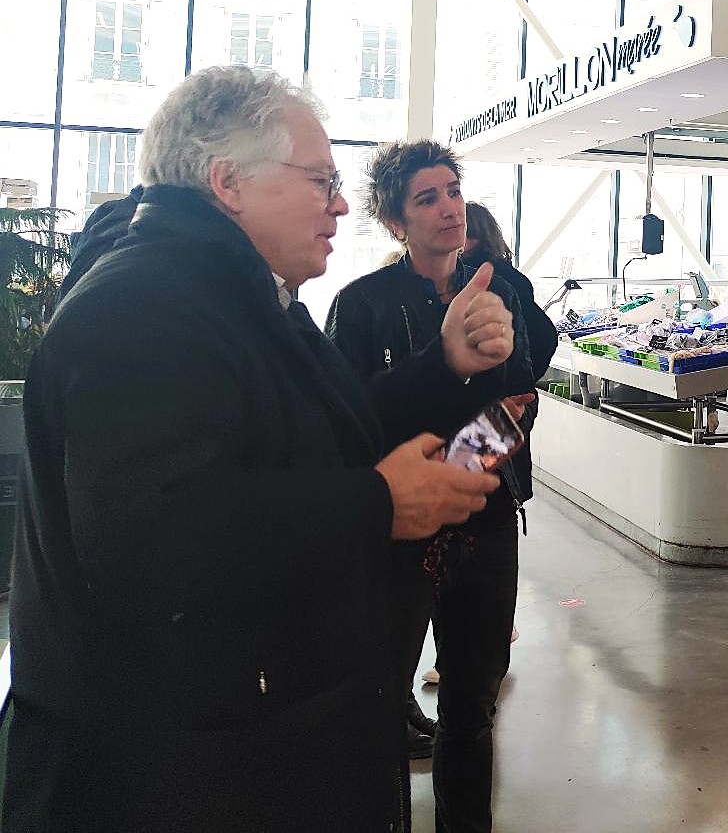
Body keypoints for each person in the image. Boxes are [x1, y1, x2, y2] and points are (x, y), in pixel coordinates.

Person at [2, 67, 515, 832]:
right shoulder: (144, 304)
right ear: (228, 181)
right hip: (172, 772)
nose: (341, 203)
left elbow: (323, 425)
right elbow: (153, 534)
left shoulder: (238, 293)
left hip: (242, 742)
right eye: (321, 179)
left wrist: (440, 367)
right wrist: (378, 503)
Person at [326, 143, 538, 833]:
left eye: (453, 190)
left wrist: (464, 468)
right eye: (427, 198)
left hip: (485, 519)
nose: (449, 207)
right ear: (395, 221)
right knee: (380, 698)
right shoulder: (362, 305)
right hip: (399, 527)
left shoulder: (501, 291)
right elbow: (348, 418)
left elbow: (522, 398)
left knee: (472, 705)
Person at [464, 201, 560, 381]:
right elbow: (545, 336)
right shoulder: (511, 275)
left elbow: (542, 334)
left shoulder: (484, 278)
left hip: (491, 386)